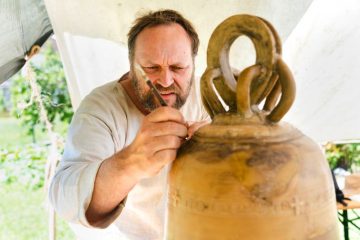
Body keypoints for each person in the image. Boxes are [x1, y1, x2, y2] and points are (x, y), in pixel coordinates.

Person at [49, 9, 210, 239]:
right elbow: (65, 200)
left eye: (178, 68)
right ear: (131, 64)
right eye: (152, 68)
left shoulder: (208, 95)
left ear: (193, 64)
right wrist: (133, 162)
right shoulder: (101, 108)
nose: (166, 81)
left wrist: (224, 142)